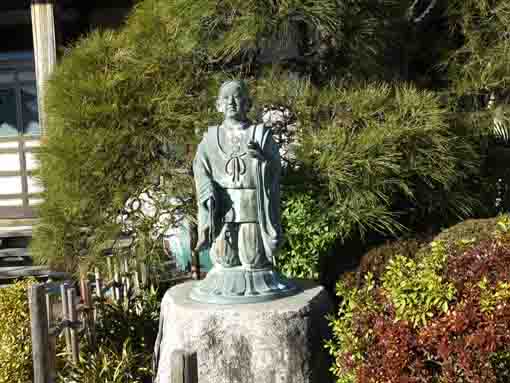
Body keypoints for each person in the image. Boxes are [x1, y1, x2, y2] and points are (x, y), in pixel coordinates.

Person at [193, 80, 283, 271]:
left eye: (237, 97)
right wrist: (207, 190)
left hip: (252, 211)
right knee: (224, 261)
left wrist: (262, 161)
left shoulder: (260, 134)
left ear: (248, 104)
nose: (231, 103)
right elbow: (199, 168)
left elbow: (276, 168)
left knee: (253, 261)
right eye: (226, 98)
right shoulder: (210, 138)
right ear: (218, 105)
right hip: (223, 211)